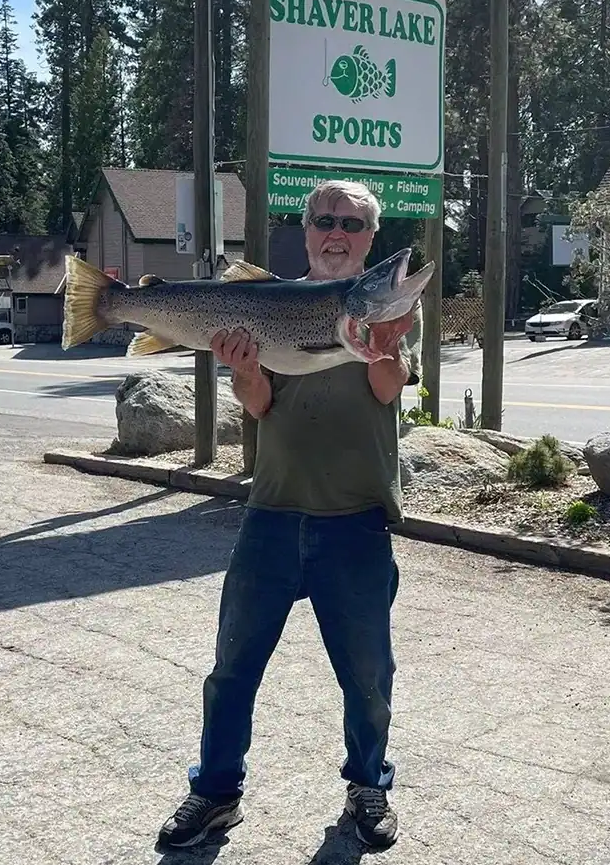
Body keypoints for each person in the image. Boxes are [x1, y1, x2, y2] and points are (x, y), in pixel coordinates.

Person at [157, 180, 421, 851]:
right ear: (306, 231)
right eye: (326, 220)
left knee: (368, 677)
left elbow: (387, 387)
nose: (338, 233)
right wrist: (243, 368)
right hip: (271, 515)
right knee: (231, 670)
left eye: (353, 225)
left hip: (356, 521)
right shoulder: (268, 300)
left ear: (370, 238)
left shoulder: (385, 314)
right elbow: (258, 404)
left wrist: (386, 346)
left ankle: (368, 785)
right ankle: (216, 792)